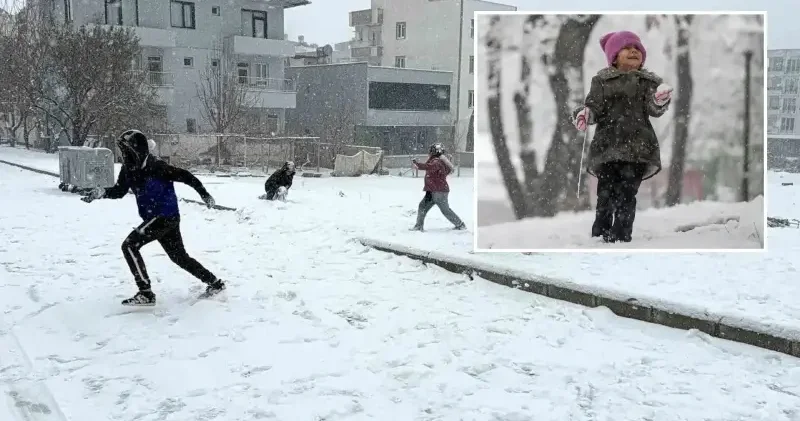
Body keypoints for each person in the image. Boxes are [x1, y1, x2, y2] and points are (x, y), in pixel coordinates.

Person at [81, 129, 225, 306]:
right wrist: (101, 192)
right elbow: (119, 191)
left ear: (137, 150)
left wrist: (204, 194)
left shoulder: (157, 166)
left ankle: (146, 293)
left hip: (164, 216)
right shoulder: (128, 169)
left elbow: (186, 176)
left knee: (130, 245)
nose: (124, 154)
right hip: (160, 218)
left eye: (126, 150)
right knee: (179, 257)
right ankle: (215, 283)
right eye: (122, 151)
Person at [572, 30, 673, 243]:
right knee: (605, 194)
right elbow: (594, 107)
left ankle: (621, 234)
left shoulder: (648, 81)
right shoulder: (602, 80)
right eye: (627, 48)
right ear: (614, 56)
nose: (633, 52)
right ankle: (600, 234)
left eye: (637, 49)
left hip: (638, 149)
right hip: (607, 148)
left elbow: (653, 108)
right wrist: (585, 114)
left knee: (627, 194)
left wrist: (659, 100)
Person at [410, 143, 466, 232]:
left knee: (445, 210)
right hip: (433, 190)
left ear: (434, 152)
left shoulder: (436, 161)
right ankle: (418, 226)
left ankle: (460, 224)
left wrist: (417, 164)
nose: (429, 152)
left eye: (431, 150)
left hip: (439, 191)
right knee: (422, 206)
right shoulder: (438, 161)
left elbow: (429, 167)